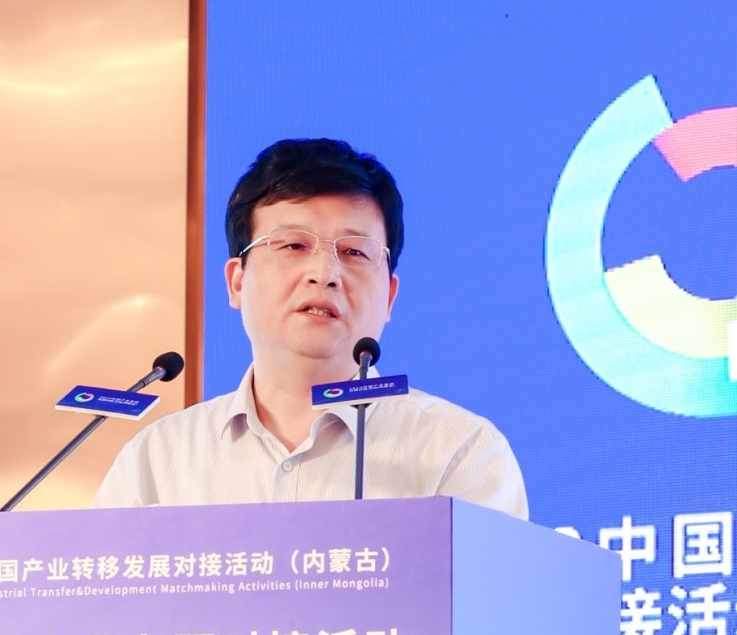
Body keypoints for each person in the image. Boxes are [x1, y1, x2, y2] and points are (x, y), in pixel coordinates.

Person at [93, 137, 526, 517]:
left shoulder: (459, 452)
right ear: (237, 282)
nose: (325, 274)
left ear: (390, 297)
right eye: (294, 245)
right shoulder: (155, 462)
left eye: (354, 252)